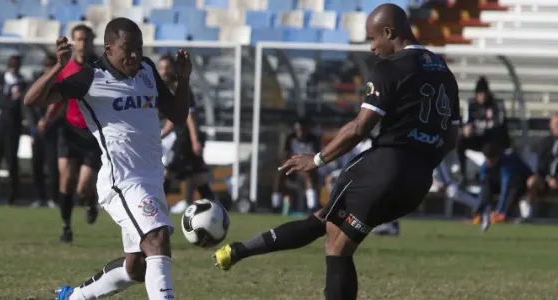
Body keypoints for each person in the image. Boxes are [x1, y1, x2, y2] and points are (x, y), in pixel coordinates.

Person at [214, 5, 460, 299]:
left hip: (383, 168)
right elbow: (452, 136)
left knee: (336, 246)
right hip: (419, 180)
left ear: (389, 32)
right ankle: (239, 251)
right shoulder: (443, 70)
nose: (372, 47)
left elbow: (359, 128)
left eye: (372, 39)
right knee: (328, 227)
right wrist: (421, 158)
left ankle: (240, 251)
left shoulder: (390, 67)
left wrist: (316, 159)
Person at [24, 17, 192, 300]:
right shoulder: (91, 77)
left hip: (152, 179)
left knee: (137, 268)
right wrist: (58, 67)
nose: (135, 55)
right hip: (123, 180)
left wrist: (184, 80)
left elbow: (177, 115)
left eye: (139, 47)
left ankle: (75, 297)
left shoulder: (147, 70)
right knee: (157, 240)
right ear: (109, 49)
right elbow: (32, 100)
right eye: (128, 49)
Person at [38, 25, 101, 242]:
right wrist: (47, 118)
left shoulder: (101, 68)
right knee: (66, 179)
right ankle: (66, 227)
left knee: (83, 186)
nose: (83, 44)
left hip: (93, 134)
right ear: (74, 43)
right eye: (79, 39)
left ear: (93, 41)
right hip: (69, 129)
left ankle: (90, 200)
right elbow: (57, 98)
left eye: (86, 39)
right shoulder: (66, 68)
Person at [158, 54, 214, 214]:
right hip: (182, 136)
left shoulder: (181, 88)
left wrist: (195, 140)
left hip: (185, 138)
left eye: (167, 68)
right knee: (198, 177)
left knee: (168, 172)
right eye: (161, 68)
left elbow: (189, 115)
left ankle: (157, 207)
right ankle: (215, 209)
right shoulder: (163, 89)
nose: (163, 72)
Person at [457, 76, 510, 184]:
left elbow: (498, 123)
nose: (482, 96)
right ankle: (462, 174)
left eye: (484, 93)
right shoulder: (471, 104)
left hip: (492, 138)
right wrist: (467, 130)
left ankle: (489, 177)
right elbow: (466, 123)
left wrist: (478, 126)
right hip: (477, 138)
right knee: (460, 141)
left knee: (493, 142)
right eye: (480, 93)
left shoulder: (496, 104)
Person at [25, 54, 59, 209]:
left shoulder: (60, 85)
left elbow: (61, 108)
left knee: (53, 167)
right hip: (37, 133)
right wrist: (34, 127)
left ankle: (53, 198)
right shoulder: (37, 84)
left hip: (53, 132)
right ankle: (39, 197)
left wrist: (49, 122)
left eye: (51, 65)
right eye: (46, 65)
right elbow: (27, 106)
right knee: (36, 166)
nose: (48, 68)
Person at [0, 54, 26, 205]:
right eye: (12, 63)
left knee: (12, 162)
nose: (14, 66)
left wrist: (9, 102)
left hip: (13, 129)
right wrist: (9, 100)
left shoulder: (22, 83)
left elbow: (18, 105)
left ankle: (12, 197)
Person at [476, 142, 531, 231]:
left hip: (521, 185)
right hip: (501, 184)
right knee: (486, 184)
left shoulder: (508, 160)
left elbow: (506, 187)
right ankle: (481, 213)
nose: (489, 162)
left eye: (491, 160)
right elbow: (483, 185)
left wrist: (499, 211)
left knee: (513, 188)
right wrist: (478, 209)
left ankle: (502, 214)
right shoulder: (486, 163)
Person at [272, 118, 321, 212]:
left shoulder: (313, 140)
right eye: (298, 129)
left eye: (302, 129)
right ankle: (276, 204)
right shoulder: (290, 138)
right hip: (293, 166)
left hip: (309, 167)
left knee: (307, 174)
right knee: (279, 174)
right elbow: (285, 155)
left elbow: (316, 156)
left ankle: (312, 206)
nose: (300, 132)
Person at [526, 114, 558, 220]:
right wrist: (549, 179)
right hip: (546, 180)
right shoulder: (545, 143)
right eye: (556, 124)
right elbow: (541, 166)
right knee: (532, 181)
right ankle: (528, 214)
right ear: (551, 125)